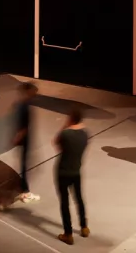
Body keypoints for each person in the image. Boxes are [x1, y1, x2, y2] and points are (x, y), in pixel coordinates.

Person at [0, 82, 39, 209]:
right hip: (23, 141)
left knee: (23, 166)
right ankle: (8, 199)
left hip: (22, 141)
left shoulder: (19, 105)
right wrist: (17, 138)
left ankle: (24, 191)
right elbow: (23, 128)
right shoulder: (25, 107)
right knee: (23, 167)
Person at [55, 105, 90, 245]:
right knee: (79, 198)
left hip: (63, 171)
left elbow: (56, 143)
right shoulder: (85, 134)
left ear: (71, 119)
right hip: (76, 171)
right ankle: (84, 226)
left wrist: (65, 126)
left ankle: (68, 234)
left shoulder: (66, 134)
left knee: (64, 202)